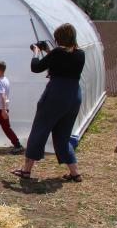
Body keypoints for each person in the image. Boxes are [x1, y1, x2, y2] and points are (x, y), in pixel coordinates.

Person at [12, 23, 85, 181]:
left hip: (56, 94)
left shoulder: (58, 52)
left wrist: (36, 52)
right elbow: (62, 61)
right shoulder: (80, 53)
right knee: (63, 136)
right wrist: (48, 51)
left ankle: (26, 170)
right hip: (74, 95)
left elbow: (36, 67)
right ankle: (75, 173)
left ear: (59, 39)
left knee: (40, 130)